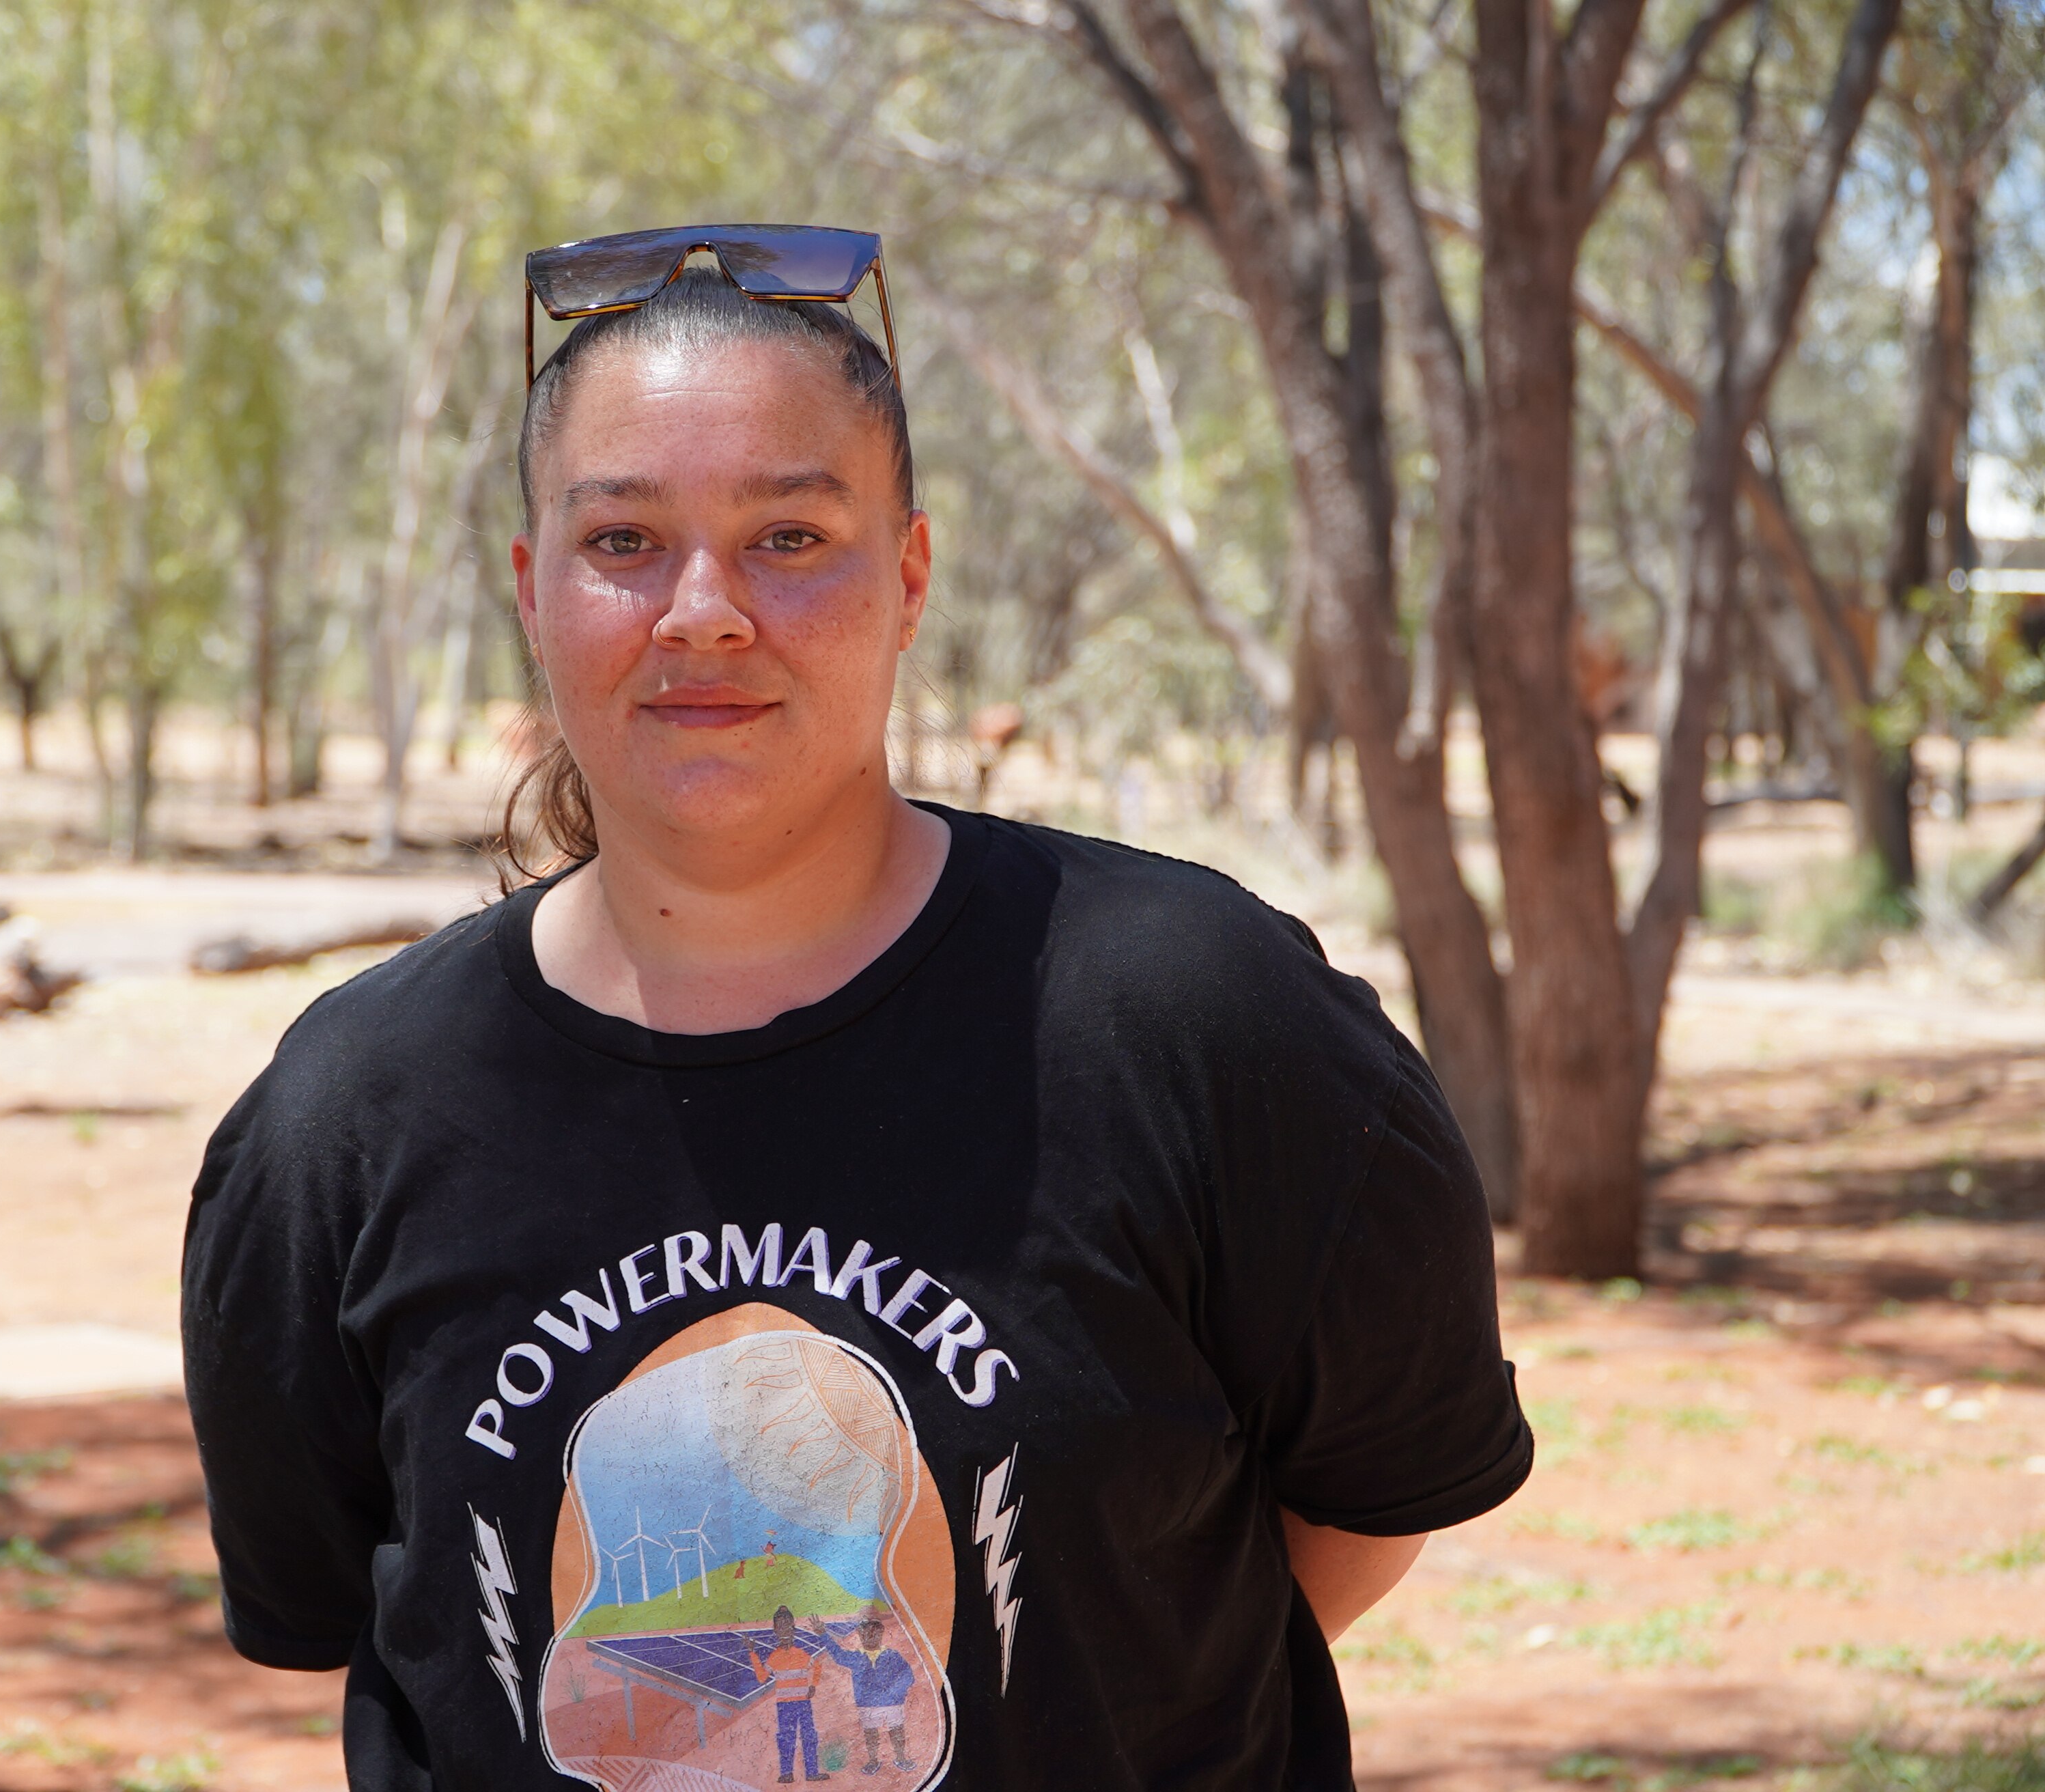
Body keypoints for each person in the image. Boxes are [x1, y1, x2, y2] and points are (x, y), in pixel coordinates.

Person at [182, 225, 1533, 1791]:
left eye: (792, 534)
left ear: (907, 575)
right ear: (531, 590)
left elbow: (1367, 1493)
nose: (703, 610)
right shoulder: (342, 1118)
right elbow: (378, 1621)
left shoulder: (1209, 1025)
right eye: (622, 540)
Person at [817, 1610, 918, 1777]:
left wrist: (895, 1692)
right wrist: (823, 1634)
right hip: (868, 1705)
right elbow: (838, 1655)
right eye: (866, 1633)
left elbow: (908, 1675)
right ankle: (873, 1760)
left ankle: (901, 1757)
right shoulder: (857, 1657)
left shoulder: (892, 1655)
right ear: (861, 1635)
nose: (870, 1637)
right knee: (871, 1734)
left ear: (881, 1633)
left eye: (874, 1633)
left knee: (897, 1731)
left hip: (893, 1703)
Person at [748, 1605, 831, 1784]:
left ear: (793, 1628)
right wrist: (753, 1654)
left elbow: (817, 1666)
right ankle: (787, 1773)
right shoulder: (774, 1657)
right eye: (780, 1626)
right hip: (785, 1705)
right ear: (775, 1631)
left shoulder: (801, 1655)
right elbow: (762, 1677)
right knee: (786, 1739)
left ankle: (812, 1772)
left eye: (787, 1625)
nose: (784, 1629)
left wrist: (813, 1686)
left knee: (809, 1737)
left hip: (803, 1703)